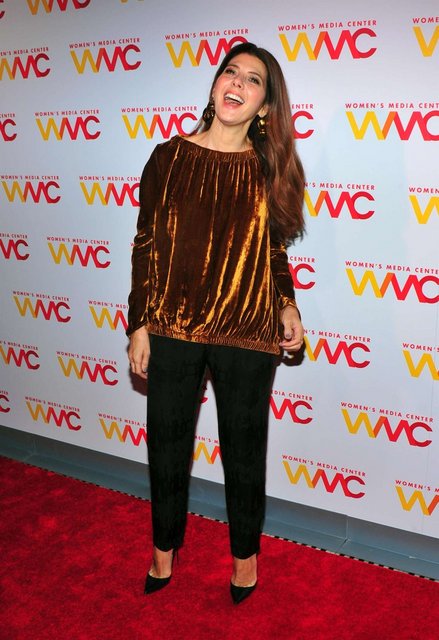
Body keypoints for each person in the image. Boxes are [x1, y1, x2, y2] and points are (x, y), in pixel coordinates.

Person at [127, 42, 305, 605]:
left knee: (245, 449)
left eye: (253, 80)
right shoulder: (168, 157)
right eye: (231, 72)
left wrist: (288, 305)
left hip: (247, 328)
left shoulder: (269, 168)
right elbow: (146, 244)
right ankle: (163, 548)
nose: (237, 83)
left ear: (264, 107)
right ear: (214, 84)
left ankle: (245, 556)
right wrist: (138, 324)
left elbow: (273, 251)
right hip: (173, 325)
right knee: (167, 446)